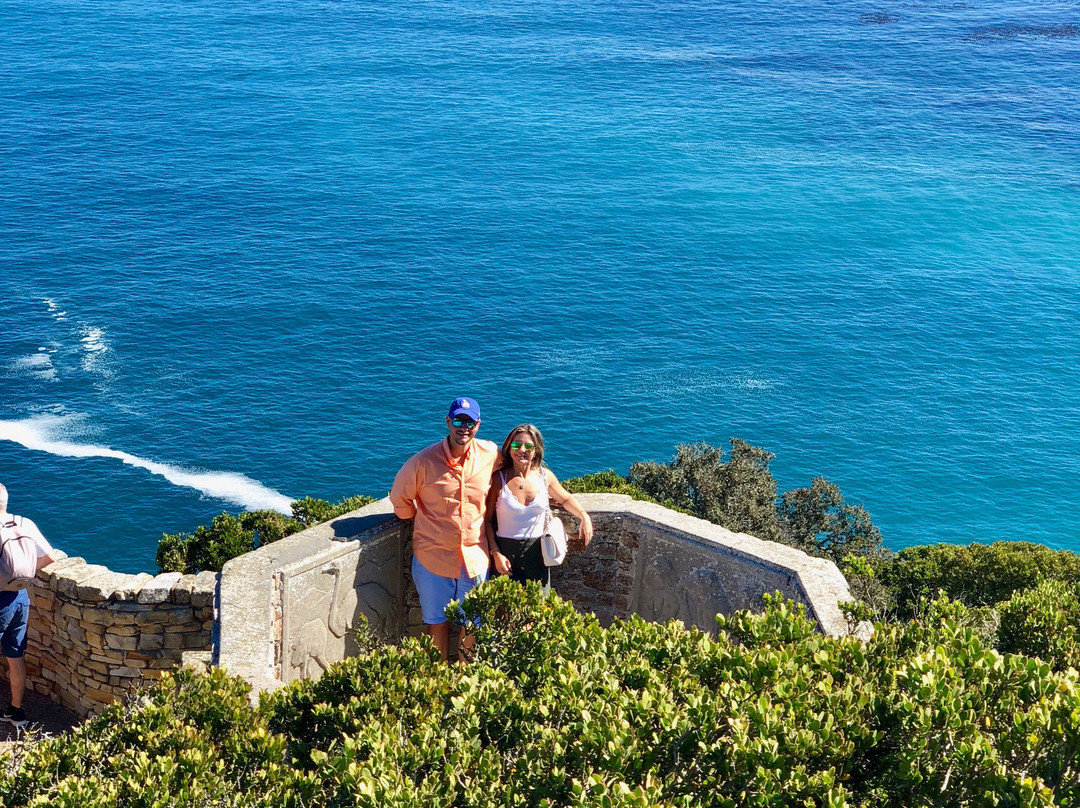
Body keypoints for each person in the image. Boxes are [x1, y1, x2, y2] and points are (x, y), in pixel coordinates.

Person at [390, 397, 501, 661]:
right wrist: (422, 523)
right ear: (448, 422)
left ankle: (464, 684)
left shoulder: (491, 454)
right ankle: (437, 683)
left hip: (474, 558)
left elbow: (517, 471)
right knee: (436, 622)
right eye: (459, 421)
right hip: (433, 559)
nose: (465, 427)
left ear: (478, 424)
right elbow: (399, 499)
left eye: (470, 422)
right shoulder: (422, 462)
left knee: (471, 624)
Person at [486, 424, 593, 591]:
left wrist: (584, 516)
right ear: (508, 448)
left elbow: (565, 499)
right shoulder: (499, 479)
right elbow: (487, 521)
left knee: (538, 610)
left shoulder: (545, 477)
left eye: (528, 446)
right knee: (503, 611)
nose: (521, 449)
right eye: (516, 445)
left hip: (536, 556)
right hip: (505, 556)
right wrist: (495, 553)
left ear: (536, 450)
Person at [0, 484, 60, 729]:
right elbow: (51, 556)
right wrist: (20, 576)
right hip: (20, 597)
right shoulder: (24, 523)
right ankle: (17, 711)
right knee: (15, 656)